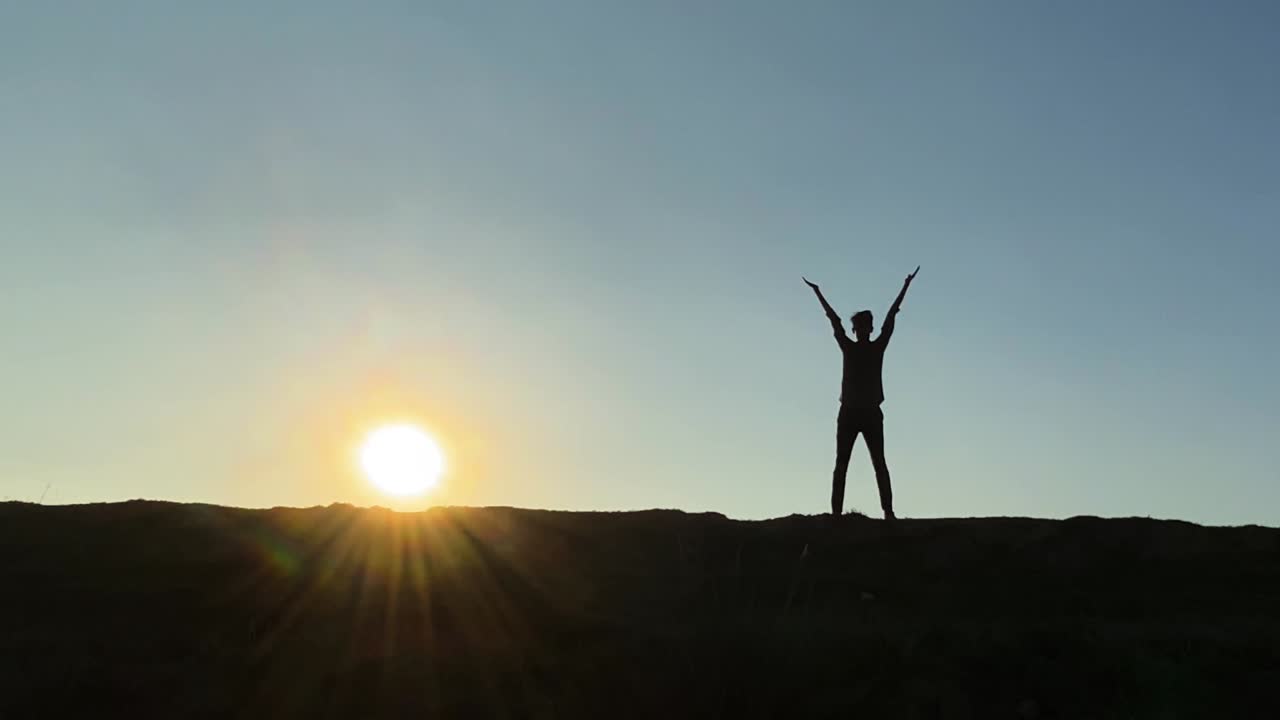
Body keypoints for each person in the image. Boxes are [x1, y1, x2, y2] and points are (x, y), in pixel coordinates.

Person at [803, 267, 918, 520]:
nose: (863, 329)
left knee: (879, 463)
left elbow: (891, 317)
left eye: (866, 325)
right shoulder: (849, 347)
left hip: (870, 413)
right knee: (842, 464)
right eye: (860, 325)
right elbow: (834, 321)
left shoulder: (877, 347)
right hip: (849, 412)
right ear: (857, 329)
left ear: (869, 328)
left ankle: (888, 512)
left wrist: (905, 287)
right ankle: (836, 514)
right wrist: (818, 294)